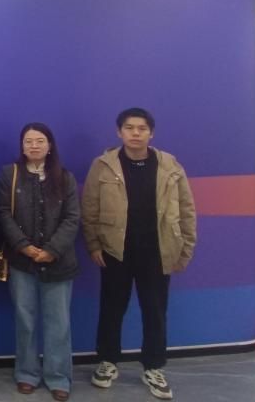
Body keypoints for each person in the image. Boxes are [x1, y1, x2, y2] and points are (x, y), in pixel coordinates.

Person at [81, 108, 197, 400]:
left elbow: (187, 209)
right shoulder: (103, 165)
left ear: (151, 133)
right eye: (129, 128)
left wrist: (186, 248)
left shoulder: (170, 165)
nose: (135, 133)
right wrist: (93, 244)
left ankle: (154, 366)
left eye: (142, 128)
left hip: (158, 251)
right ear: (119, 132)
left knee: (155, 312)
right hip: (115, 251)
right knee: (111, 309)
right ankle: (107, 361)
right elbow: (89, 208)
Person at [0, 123, 80, 402]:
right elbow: (3, 213)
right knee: (26, 320)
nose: (34, 146)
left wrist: (52, 249)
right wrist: (23, 246)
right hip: (22, 262)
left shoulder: (65, 178)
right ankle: (27, 373)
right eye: (28, 141)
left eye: (40, 141)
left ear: (50, 145)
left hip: (59, 262)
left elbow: (72, 218)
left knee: (59, 323)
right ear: (22, 146)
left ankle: (58, 377)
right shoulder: (10, 174)